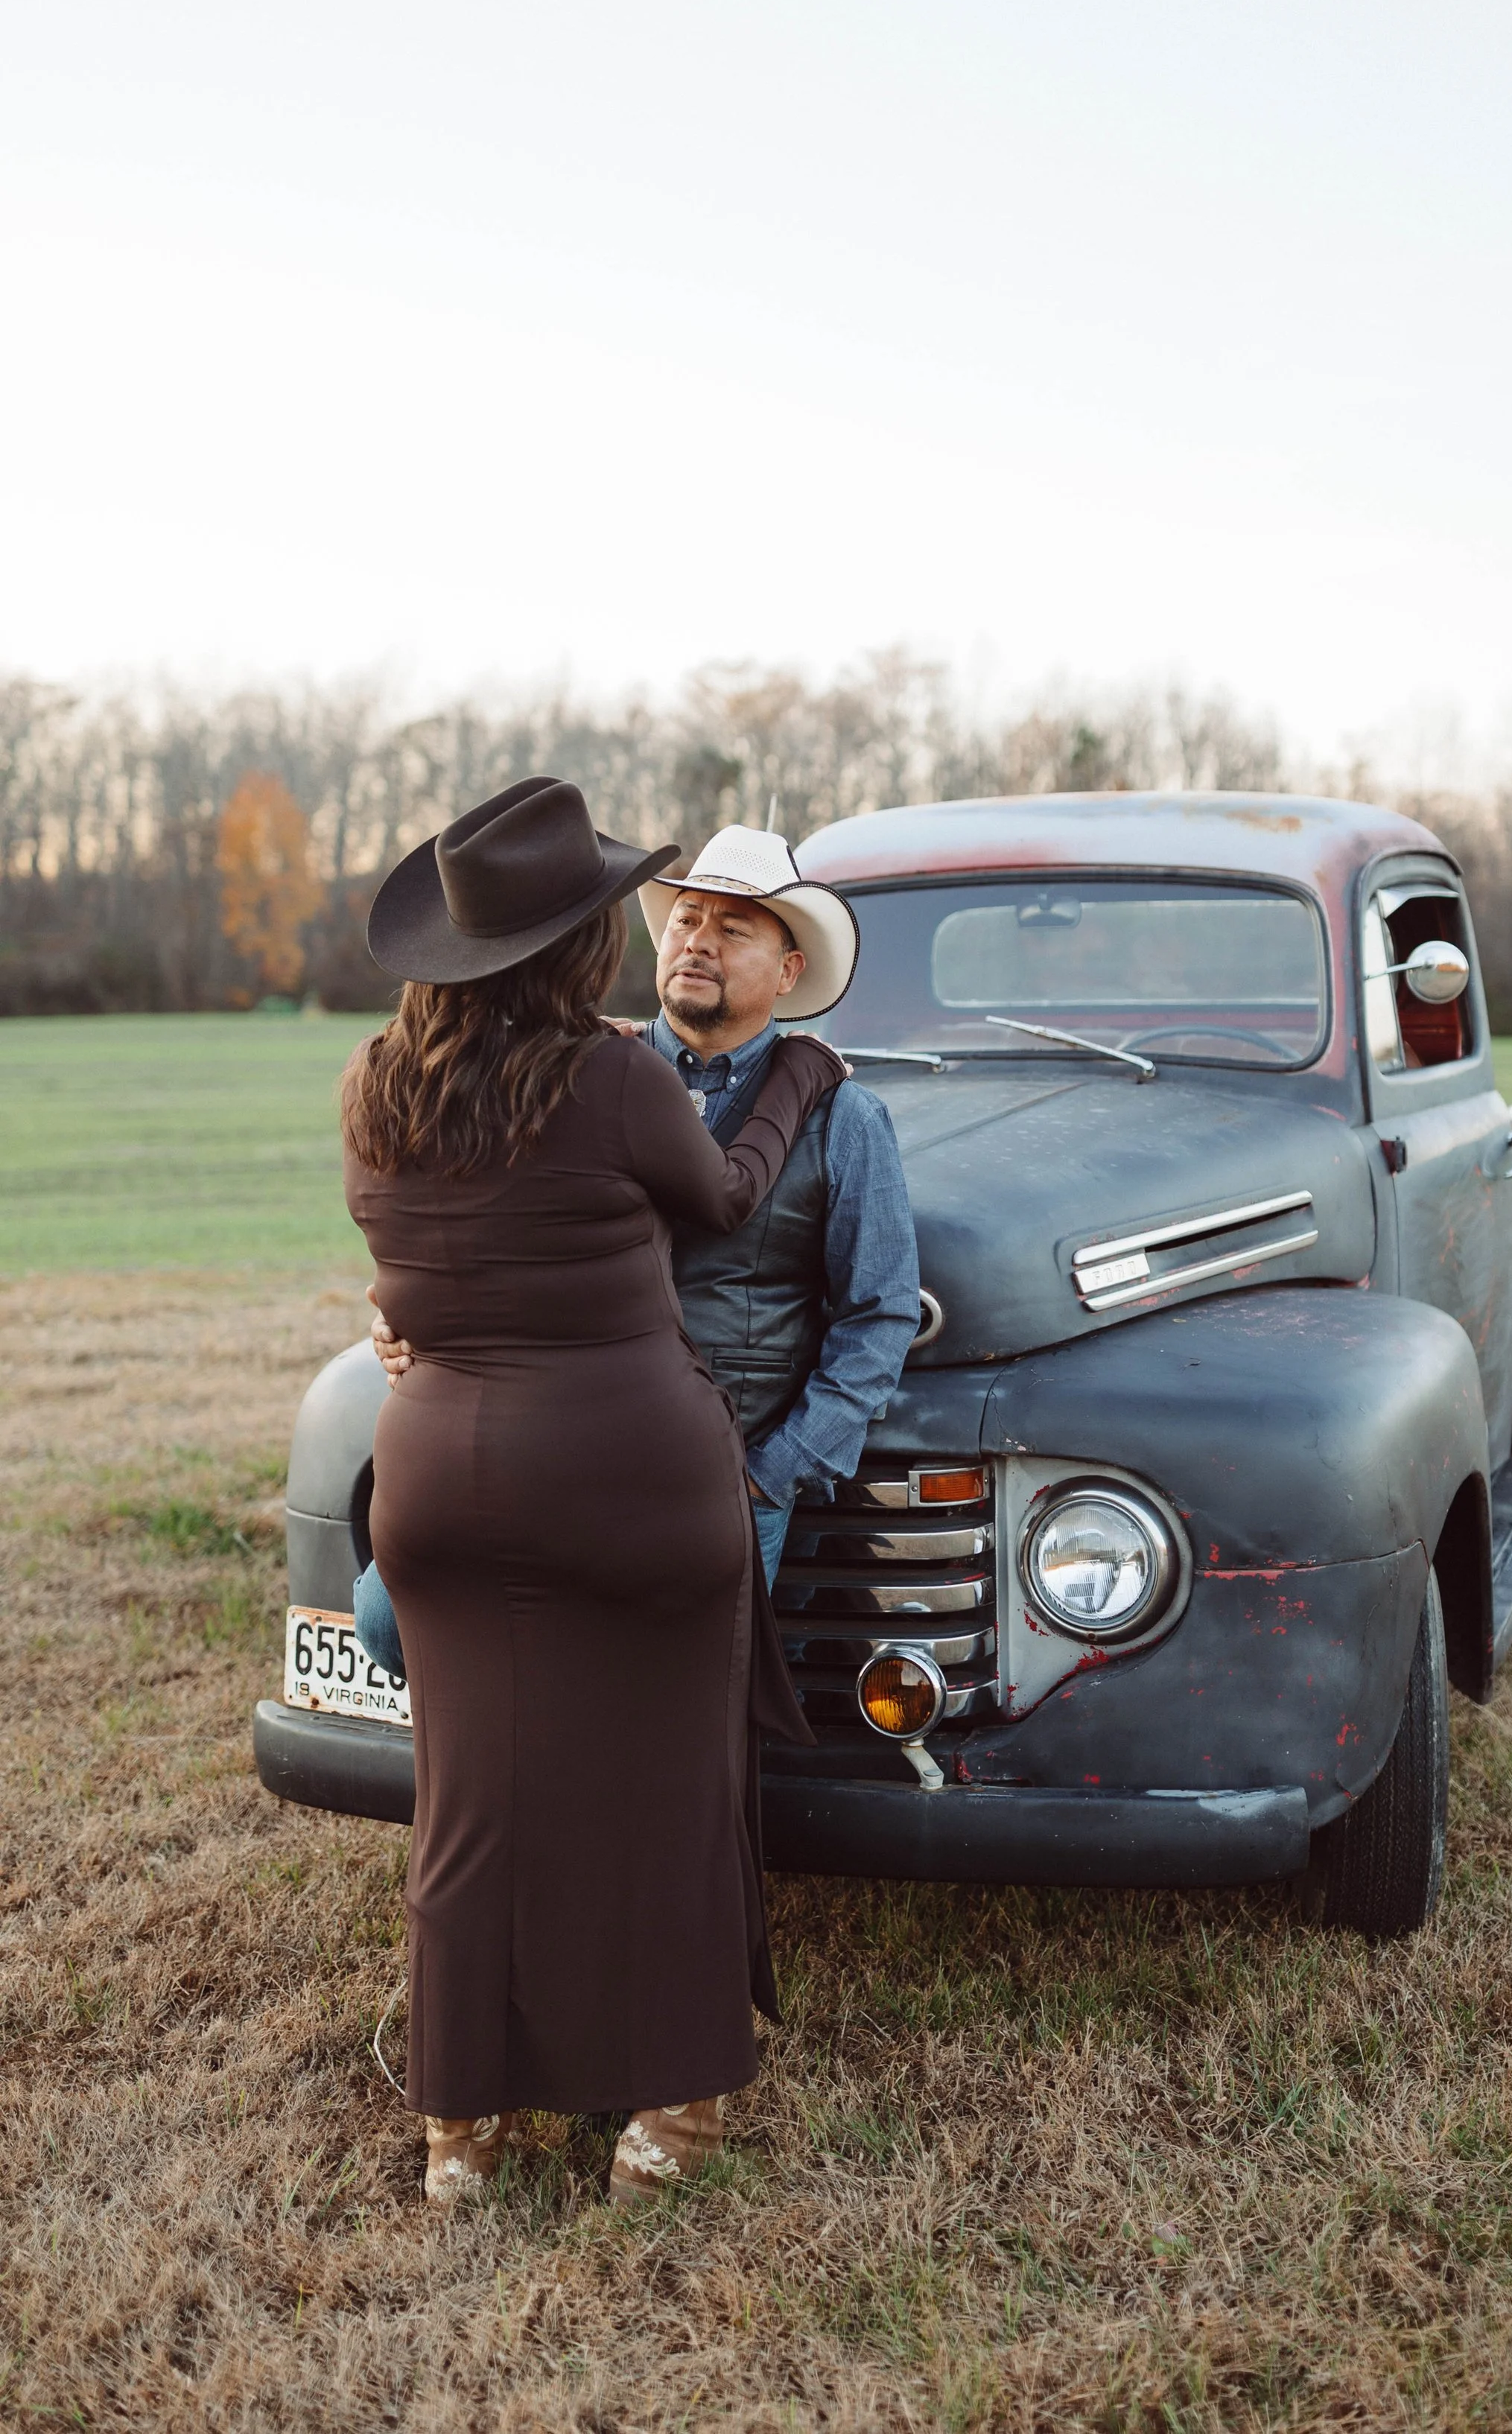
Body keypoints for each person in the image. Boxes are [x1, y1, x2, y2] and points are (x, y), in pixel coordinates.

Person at [342, 775, 844, 2207]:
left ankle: (461, 2136)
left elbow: (414, 1275)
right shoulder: (616, 1075)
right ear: (572, 949)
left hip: (437, 1480)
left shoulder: (375, 1084)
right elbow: (728, 1196)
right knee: (669, 1798)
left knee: (471, 1808)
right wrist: (801, 1073)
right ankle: (667, 2119)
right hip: (628, 1477)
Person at [358, 821, 919, 1674]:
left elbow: (879, 1317)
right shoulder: (567, 1077)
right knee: (395, 1627)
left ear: (789, 970)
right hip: (556, 1451)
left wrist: (773, 1473)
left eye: (734, 930)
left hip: (728, 1476)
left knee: (672, 1701)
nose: (699, 942)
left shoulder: (846, 1121)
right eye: (688, 920)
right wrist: (412, 1328)